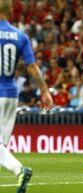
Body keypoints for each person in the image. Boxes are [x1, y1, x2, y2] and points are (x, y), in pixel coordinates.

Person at [0, 1, 53, 193]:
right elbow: (32, 67)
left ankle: (20, 170)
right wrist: (45, 91)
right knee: (1, 146)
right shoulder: (20, 36)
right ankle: (19, 172)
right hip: (11, 94)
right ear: (10, 10)